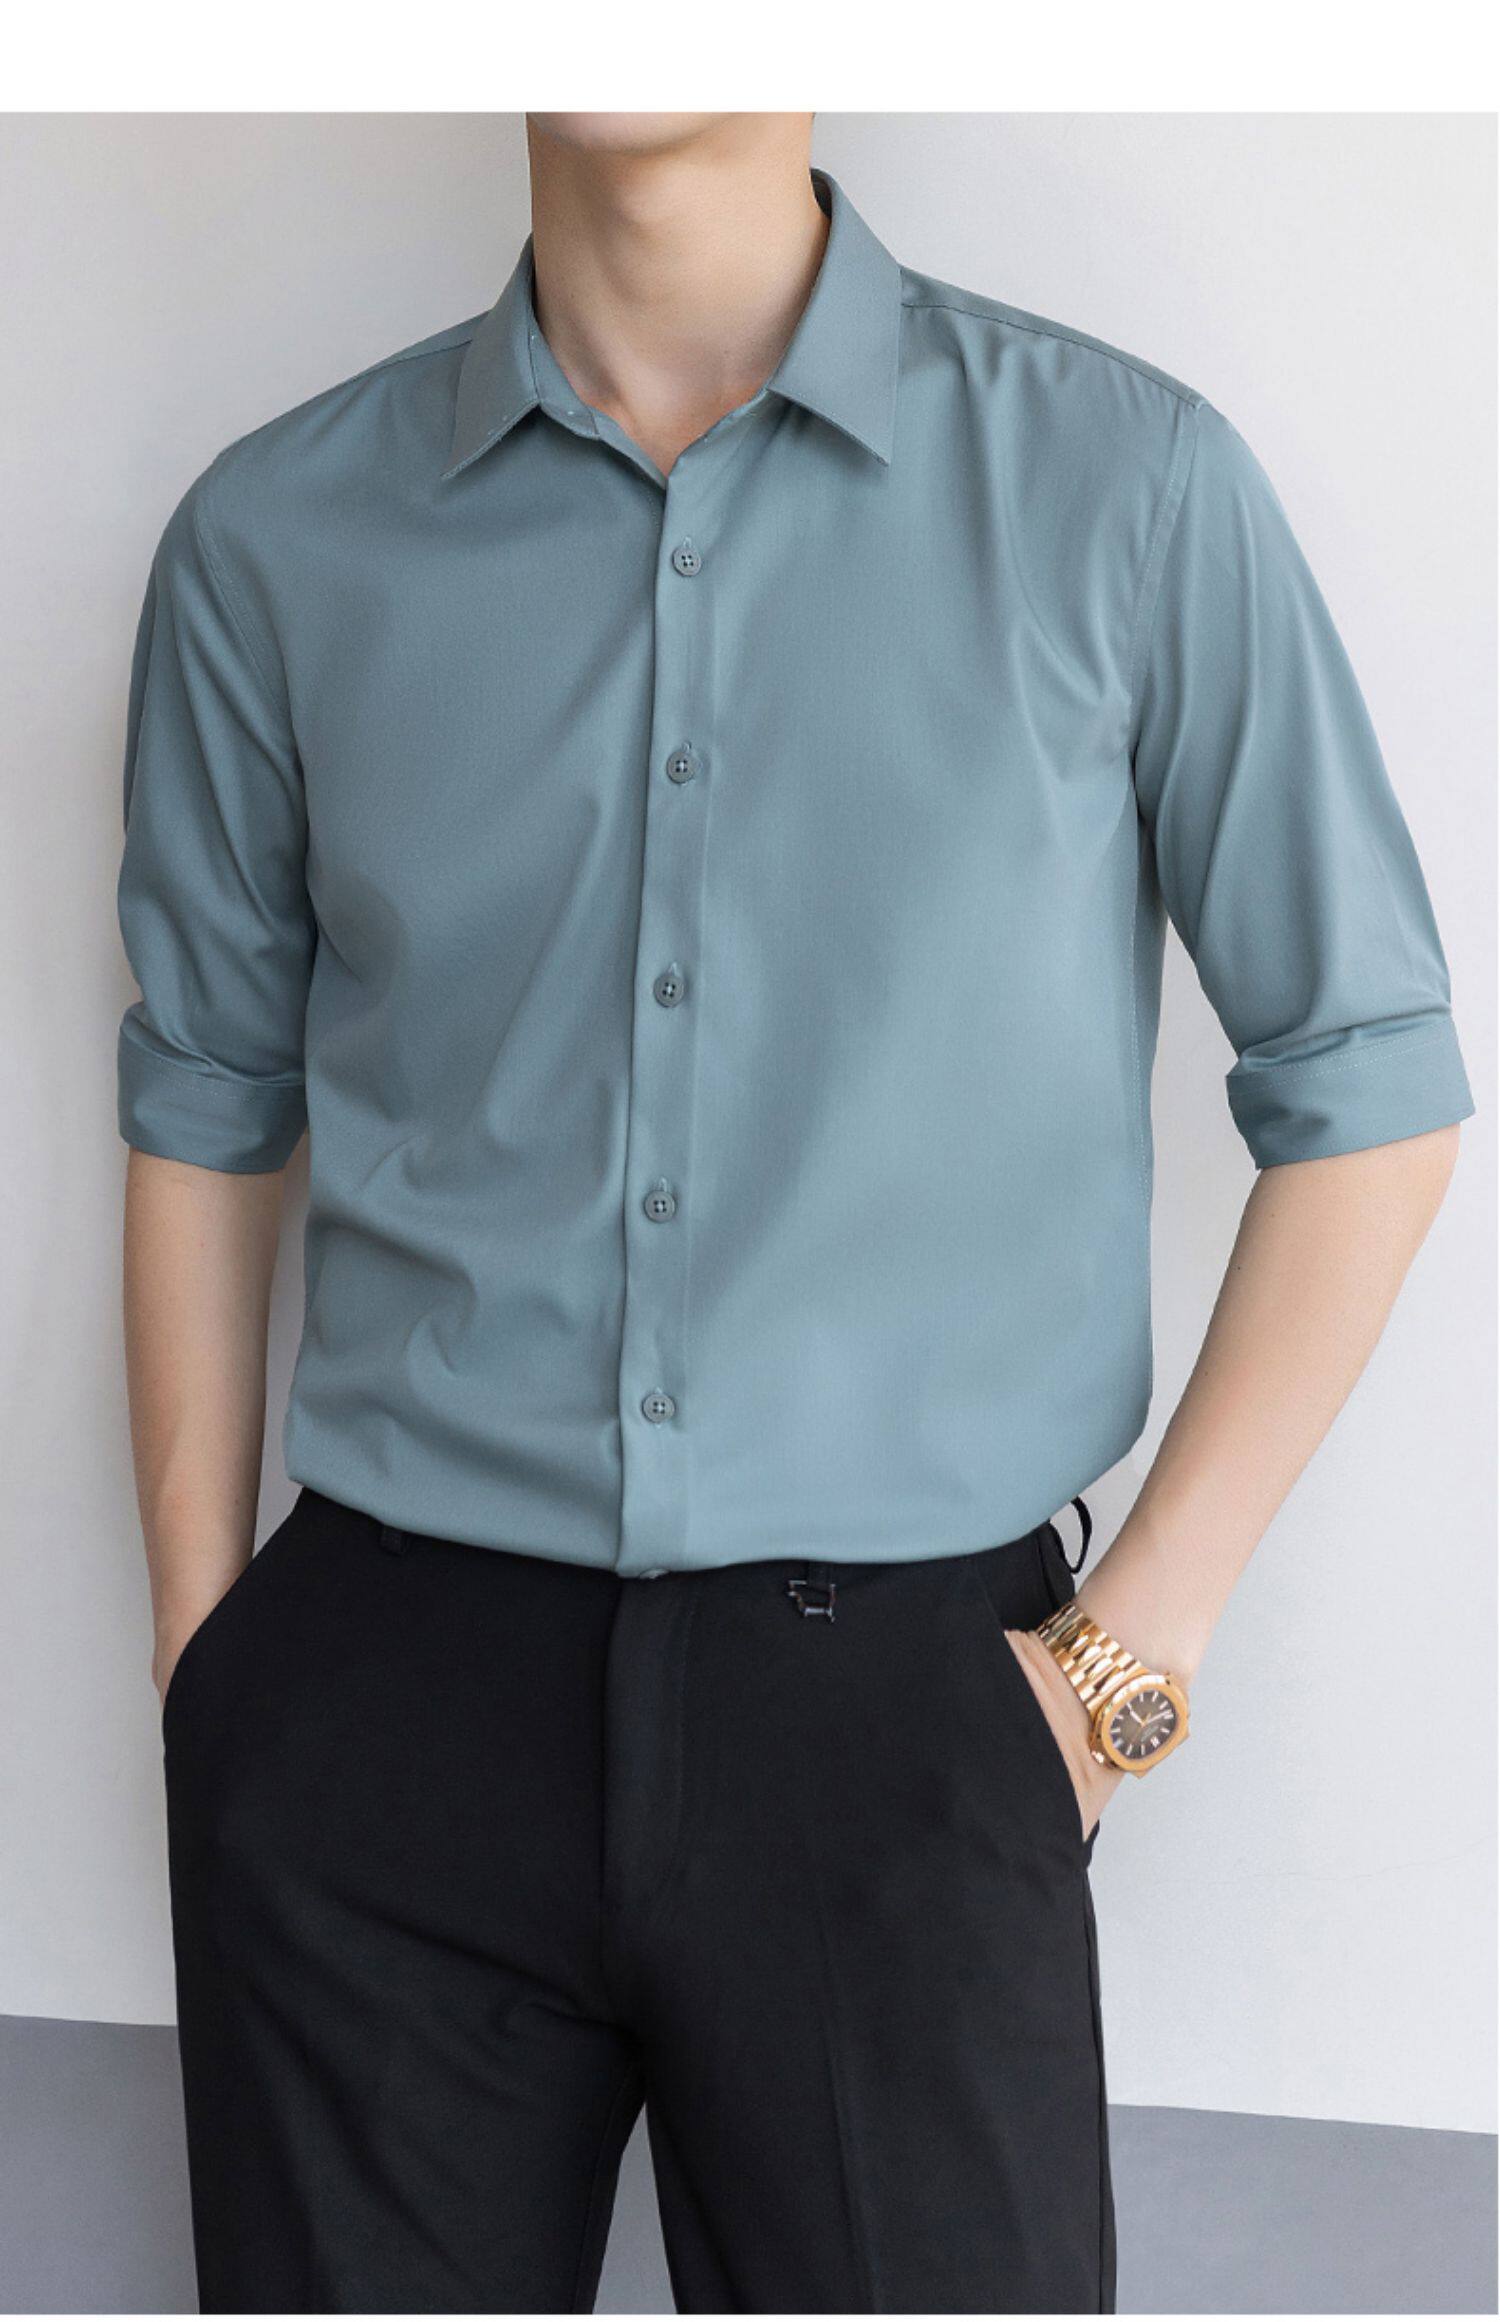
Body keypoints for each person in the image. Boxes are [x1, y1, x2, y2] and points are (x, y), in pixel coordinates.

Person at [115, 112, 1473, 2315]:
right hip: (382, 1709)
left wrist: (1125, 1669)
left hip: (915, 1730)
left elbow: (1374, 1088)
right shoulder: (274, 536)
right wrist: (212, 1671)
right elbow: (203, 1095)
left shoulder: (1126, 488)